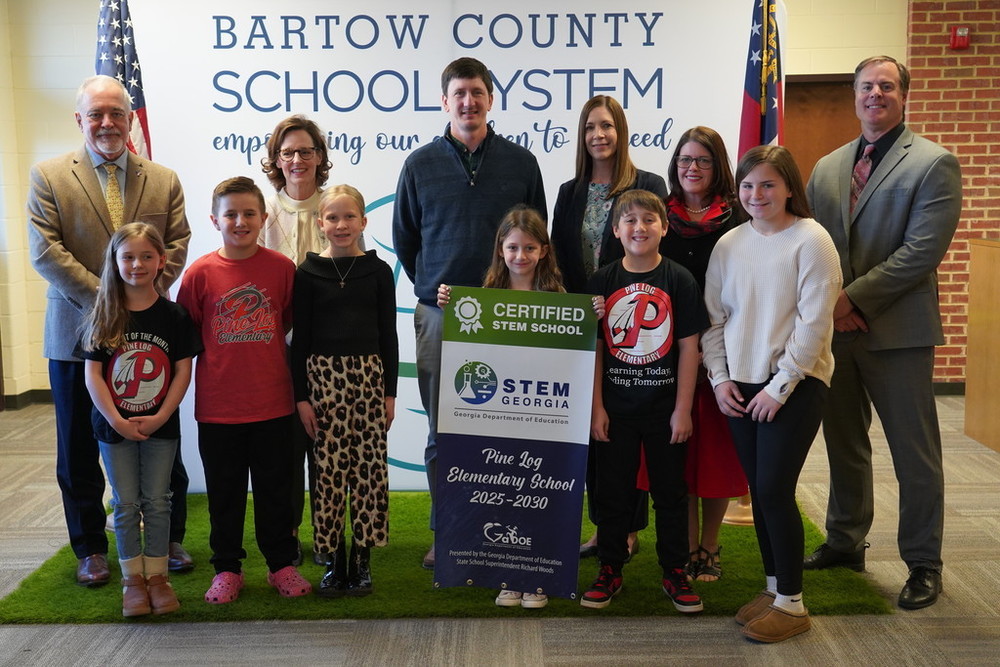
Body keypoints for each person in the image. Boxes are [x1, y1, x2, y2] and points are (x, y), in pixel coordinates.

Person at [804, 55, 962, 610]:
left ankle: (923, 562)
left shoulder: (933, 162)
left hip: (898, 333)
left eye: (886, 86)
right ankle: (845, 541)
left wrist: (849, 298)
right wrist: (831, 306)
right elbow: (810, 245)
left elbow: (922, 251)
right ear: (854, 95)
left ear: (903, 96)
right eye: (867, 86)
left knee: (914, 453)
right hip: (835, 333)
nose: (875, 94)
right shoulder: (825, 167)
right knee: (844, 442)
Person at [26, 74, 193, 587]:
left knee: (162, 439)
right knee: (78, 447)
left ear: (130, 119)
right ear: (80, 120)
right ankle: (91, 550)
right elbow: (44, 251)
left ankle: (168, 539)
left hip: (152, 340)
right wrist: (109, 302)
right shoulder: (49, 175)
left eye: (115, 113)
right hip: (76, 335)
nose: (106, 123)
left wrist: (138, 304)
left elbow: (178, 242)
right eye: (95, 114)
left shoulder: (162, 179)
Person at [392, 57, 546, 569]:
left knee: (506, 429)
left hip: (509, 315)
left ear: (491, 99)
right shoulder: (419, 164)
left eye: (477, 92)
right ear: (444, 101)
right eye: (458, 93)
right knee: (446, 431)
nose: (468, 102)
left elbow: (537, 237)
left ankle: (502, 532)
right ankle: (448, 530)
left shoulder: (521, 162)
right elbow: (406, 241)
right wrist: (433, 285)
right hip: (442, 314)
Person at [702, 145, 841, 643]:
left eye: (767, 184)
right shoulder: (729, 244)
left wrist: (780, 387)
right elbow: (714, 320)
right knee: (758, 492)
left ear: (788, 187)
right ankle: (773, 586)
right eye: (747, 186)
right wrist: (720, 380)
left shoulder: (812, 240)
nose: (756, 194)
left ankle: (794, 605)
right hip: (740, 384)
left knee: (775, 490)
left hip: (796, 383)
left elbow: (814, 324)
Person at [177, 177, 311, 604]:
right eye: (231, 214)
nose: (240, 221)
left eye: (249, 213)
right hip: (219, 408)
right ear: (215, 220)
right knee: (224, 495)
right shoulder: (199, 273)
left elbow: (288, 321)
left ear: (263, 217)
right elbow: (189, 332)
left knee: (275, 491)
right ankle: (228, 568)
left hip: (273, 403)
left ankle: (280, 564)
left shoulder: (280, 268)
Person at [438, 206, 579, 609]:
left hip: (544, 421)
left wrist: (591, 318)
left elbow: (571, 357)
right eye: (513, 247)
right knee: (502, 498)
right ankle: (507, 576)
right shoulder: (482, 300)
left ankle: (536, 581)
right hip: (498, 420)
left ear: (544, 251)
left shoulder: (558, 301)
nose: (520, 255)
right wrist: (451, 305)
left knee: (541, 502)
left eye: (529, 247)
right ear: (500, 249)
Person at [551, 95, 667, 561]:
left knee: (627, 430)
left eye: (607, 126)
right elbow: (556, 257)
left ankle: (630, 526)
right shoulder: (569, 191)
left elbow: (659, 257)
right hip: (582, 327)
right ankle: (602, 525)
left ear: (621, 131)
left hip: (634, 324)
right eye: (589, 128)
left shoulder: (648, 184)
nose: (598, 135)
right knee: (592, 433)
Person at [583, 190, 706, 613]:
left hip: (665, 409)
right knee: (612, 493)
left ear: (664, 227)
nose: (639, 227)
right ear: (615, 230)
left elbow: (690, 347)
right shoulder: (601, 282)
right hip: (614, 411)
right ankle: (610, 567)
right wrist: (596, 407)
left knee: (670, 494)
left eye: (648, 220)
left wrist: (682, 410)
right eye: (629, 220)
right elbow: (594, 350)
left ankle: (675, 570)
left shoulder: (680, 279)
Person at [77, 223, 201, 617]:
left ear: (162, 261)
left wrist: (163, 413)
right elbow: (93, 374)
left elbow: (183, 370)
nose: (137, 264)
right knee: (126, 503)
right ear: (115, 262)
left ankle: (159, 578)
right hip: (113, 429)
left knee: (159, 502)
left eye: (147, 256)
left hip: (160, 426)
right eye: (128, 256)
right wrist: (115, 420)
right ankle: (133, 582)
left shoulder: (175, 316)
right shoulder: (104, 314)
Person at [292, 185, 398, 598]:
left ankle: (362, 558)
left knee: (369, 472)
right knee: (328, 474)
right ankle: (334, 559)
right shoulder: (307, 273)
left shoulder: (379, 272)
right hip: (322, 383)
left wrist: (389, 393)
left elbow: (388, 335)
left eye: (349, 217)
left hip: (369, 380)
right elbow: (299, 341)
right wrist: (302, 397)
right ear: (320, 223)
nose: (341, 225)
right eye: (332, 217)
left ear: (363, 222)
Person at [661, 127, 748, 582]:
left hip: (724, 355)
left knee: (713, 457)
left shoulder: (739, 219)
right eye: (684, 160)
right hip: (665, 356)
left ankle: (709, 547)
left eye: (703, 160)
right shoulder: (660, 216)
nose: (692, 168)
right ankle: (687, 546)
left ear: (719, 168)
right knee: (680, 457)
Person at [260, 114, 334, 566]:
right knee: (285, 451)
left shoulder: (336, 207)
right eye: (287, 152)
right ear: (276, 159)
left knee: (324, 447)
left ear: (320, 157)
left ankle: (326, 535)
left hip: (327, 349)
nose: (297, 159)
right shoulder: (261, 213)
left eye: (306, 151)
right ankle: (287, 535)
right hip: (275, 351)